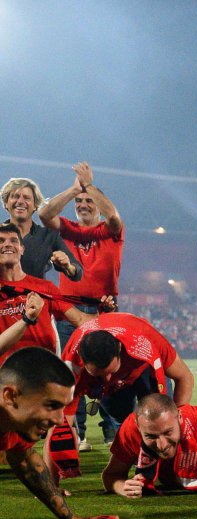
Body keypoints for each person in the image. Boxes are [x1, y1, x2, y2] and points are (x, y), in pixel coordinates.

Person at [37, 162, 124, 446]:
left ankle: (112, 430)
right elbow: (45, 212)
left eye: (89, 201)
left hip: (104, 309)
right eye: (79, 202)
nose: (84, 204)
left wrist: (90, 186)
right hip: (68, 310)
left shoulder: (110, 231)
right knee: (69, 371)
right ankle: (78, 433)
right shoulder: (66, 230)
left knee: (109, 370)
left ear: (97, 204)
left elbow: (113, 215)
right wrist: (75, 188)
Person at [0, 347, 92, 519]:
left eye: (62, 407)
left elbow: (26, 462)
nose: (59, 419)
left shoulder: (10, 419)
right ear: (11, 395)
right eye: (51, 405)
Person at [61, 312, 194, 427]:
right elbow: (62, 425)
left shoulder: (145, 337)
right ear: (80, 357)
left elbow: (184, 376)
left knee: (160, 417)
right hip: (111, 391)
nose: (107, 379)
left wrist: (177, 422)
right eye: (98, 375)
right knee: (125, 430)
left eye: (111, 371)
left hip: (144, 370)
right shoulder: (70, 364)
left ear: (119, 348)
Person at [0, 224, 89, 359]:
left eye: (13, 240)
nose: (7, 244)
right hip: (8, 374)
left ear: (22, 249)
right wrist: (27, 319)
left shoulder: (45, 287)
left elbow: (81, 319)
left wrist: (108, 314)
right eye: (1, 241)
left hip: (45, 371)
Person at [0, 177, 83, 283]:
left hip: (33, 297)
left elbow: (77, 273)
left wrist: (67, 266)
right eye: (15, 196)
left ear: (35, 205)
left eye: (26, 198)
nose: (20, 201)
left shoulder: (49, 236)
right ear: (6, 203)